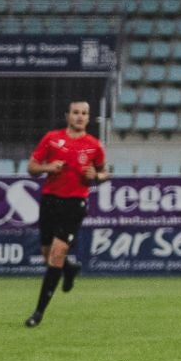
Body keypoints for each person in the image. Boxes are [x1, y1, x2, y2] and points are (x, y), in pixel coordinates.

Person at [23, 99, 109, 328]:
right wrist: (46, 168)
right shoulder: (52, 138)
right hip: (50, 200)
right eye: (76, 112)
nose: (80, 116)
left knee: (56, 255)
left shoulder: (94, 145)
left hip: (75, 203)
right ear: (68, 116)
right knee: (47, 254)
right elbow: (31, 167)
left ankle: (38, 313)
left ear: (89, 118)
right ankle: (69, 269)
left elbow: (104, 173)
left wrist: (96, 176)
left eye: (84, 113)